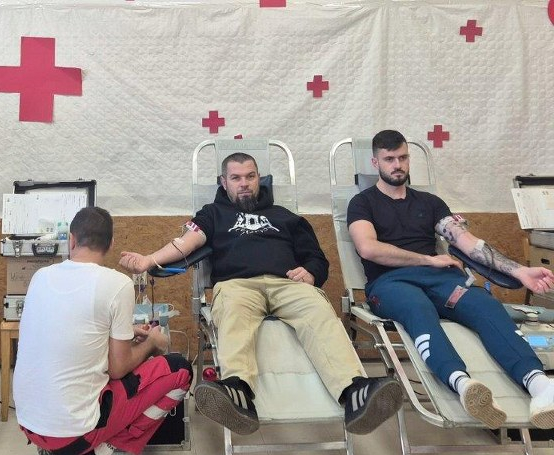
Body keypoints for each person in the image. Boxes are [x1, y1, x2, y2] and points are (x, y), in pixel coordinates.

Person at [120, 152, 402, 436]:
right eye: (236, 178)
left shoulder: (286, 217)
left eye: (250, 176)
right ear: (224, 182)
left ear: (259, 179)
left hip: (288, 283)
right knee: (232, 312)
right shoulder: (213, 214)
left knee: (319, 311)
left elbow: (316, 258)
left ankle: (355, 390)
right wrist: (148, 260)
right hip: (237, 284)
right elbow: (185, 243)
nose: (244, 183)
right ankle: (237, 392)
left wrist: (311, 273)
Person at [347, 129, 554, 428]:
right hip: (390, 284)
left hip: (441, 280)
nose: (398, 165)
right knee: (418, 308)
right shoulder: (362, 203)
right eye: (389, 159)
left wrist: (519, 270)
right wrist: (428, 259)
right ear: (375, 162)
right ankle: (464, 385)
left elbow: (469, 243)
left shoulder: (430, 203)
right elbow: (369, 248)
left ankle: (539, 385)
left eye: (403, 157)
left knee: (485, 305)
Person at [13, 206, 193, 455]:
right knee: (179, 369)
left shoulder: (40, 277)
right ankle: (99, 453)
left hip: (30, 420)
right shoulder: (117, 283)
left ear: (71, 240)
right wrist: (152, 343)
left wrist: (123, 330)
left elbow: (71, 329)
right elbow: (118, 368)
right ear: (109, 246)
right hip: (74, 429)